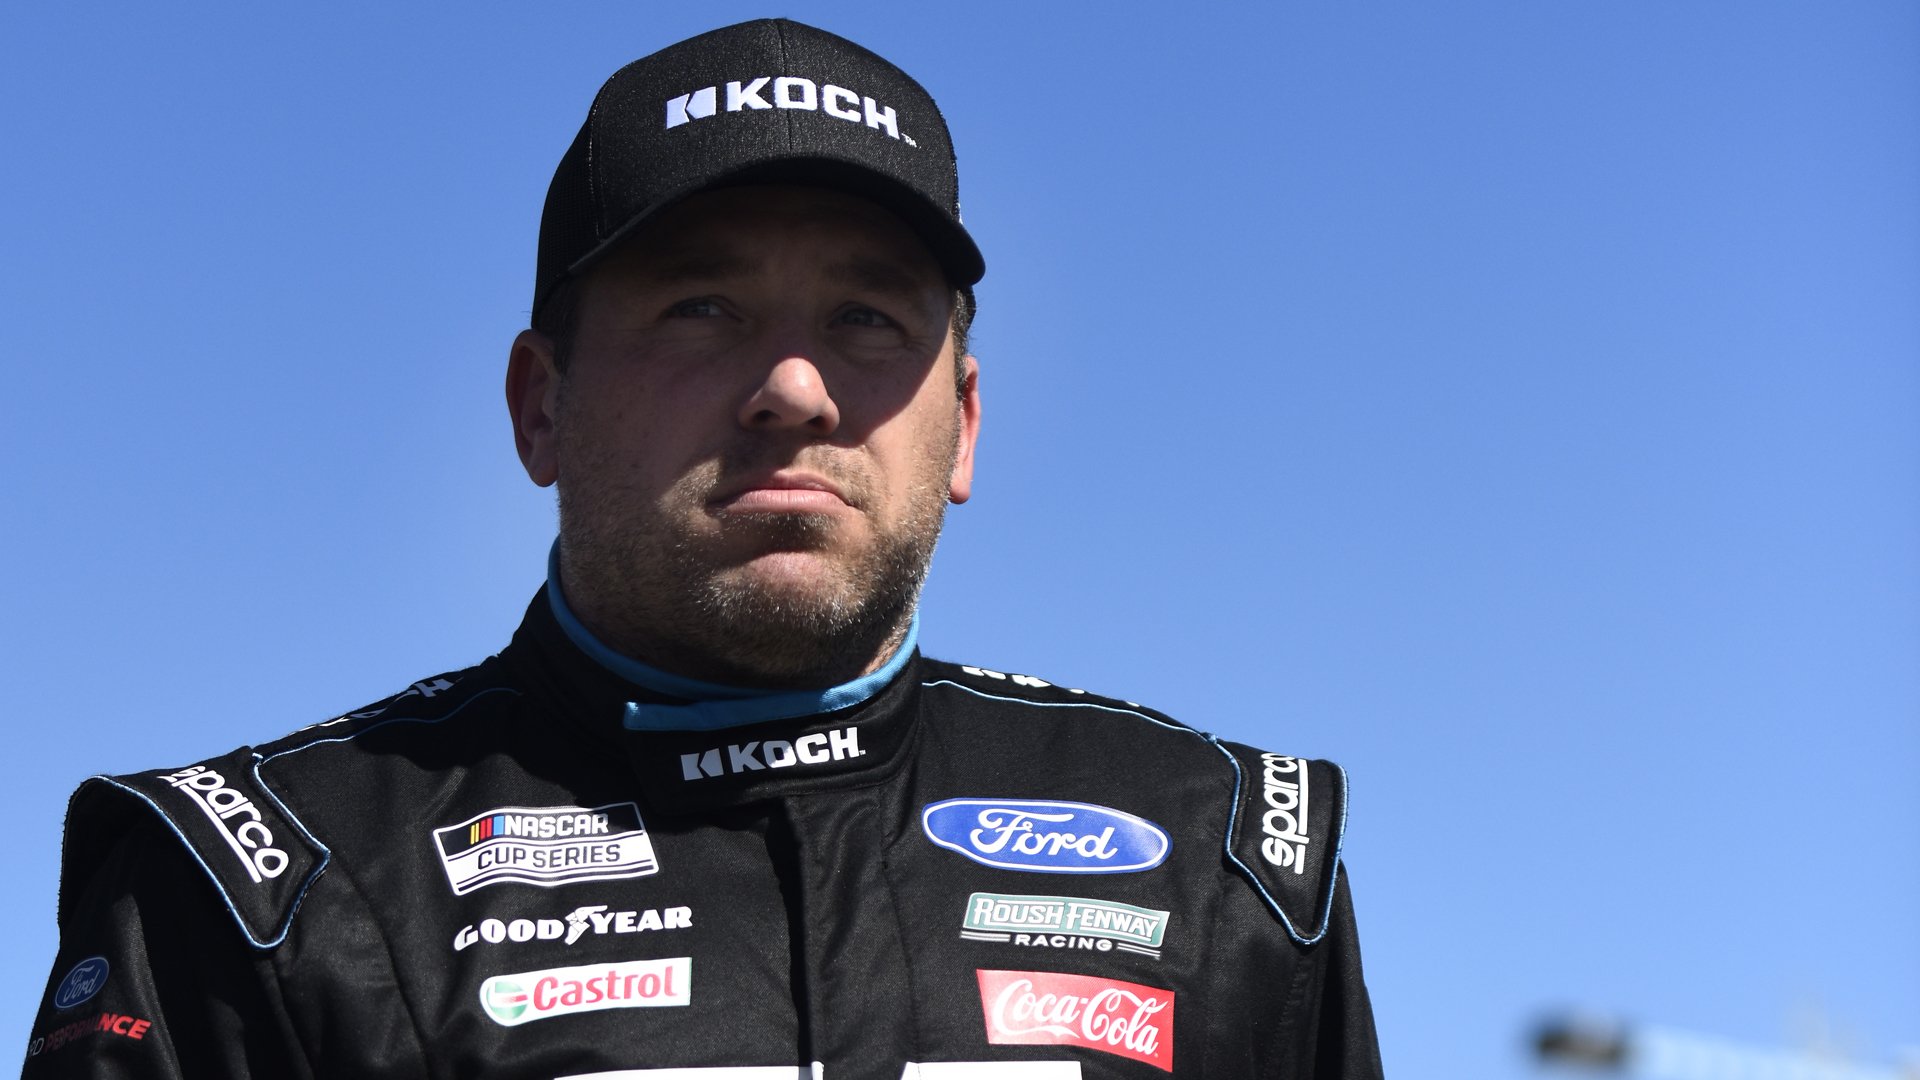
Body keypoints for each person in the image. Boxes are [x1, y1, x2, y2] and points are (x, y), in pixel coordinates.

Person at [24, 19, 1382, 1080]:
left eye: (867, 318)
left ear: (962, 424)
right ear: (539, 404)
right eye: (700, 306)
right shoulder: (256, 882)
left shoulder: (1227, 860)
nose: (793, 389)